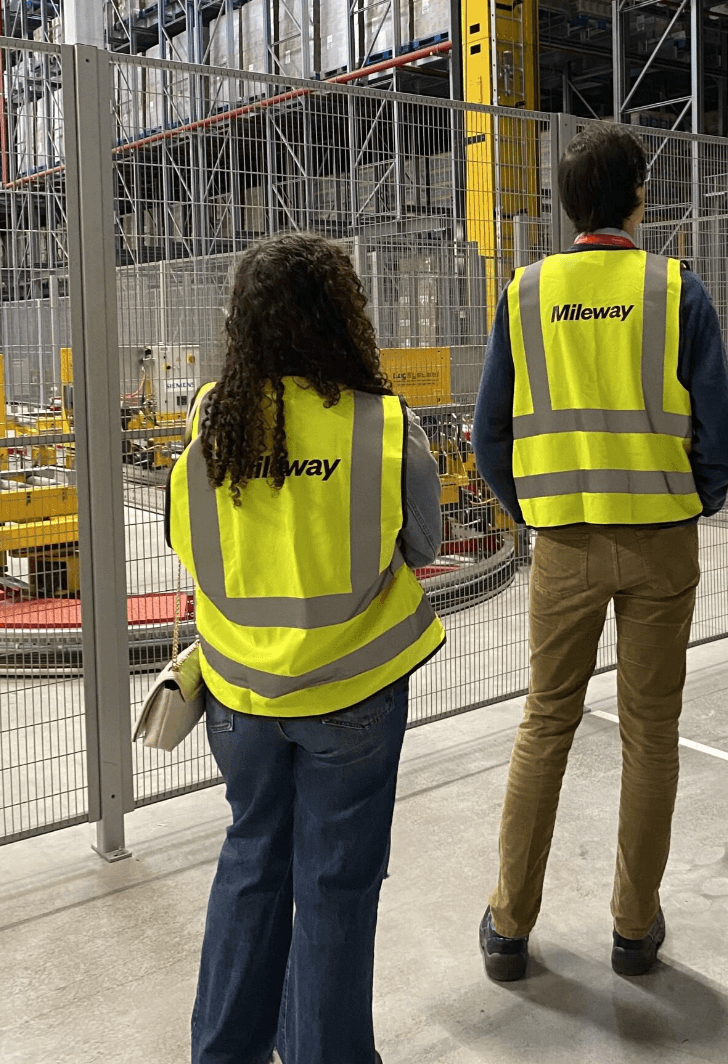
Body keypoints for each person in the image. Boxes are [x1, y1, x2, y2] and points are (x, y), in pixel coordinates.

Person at [472, 121, 728, 981]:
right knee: (650, 732)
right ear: (638, 195)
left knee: (545, 723)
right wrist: (695, 496)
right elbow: (724, 434)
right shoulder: (676, 290)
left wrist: (535, 510)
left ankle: (510, 927)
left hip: (563, 543)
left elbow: (488, 436)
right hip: (662, 542)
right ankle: (633, 928)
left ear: (566, 205)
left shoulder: (524, 294)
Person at [169, 233, 446, 1064]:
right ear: (343, 315)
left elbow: (193, 546)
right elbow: (425, 542)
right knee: (334, 890)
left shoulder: (213, 416)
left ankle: (222, 1053)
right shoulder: (384, 421)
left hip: (241, 699)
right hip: (354, 699)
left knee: (251, 864)